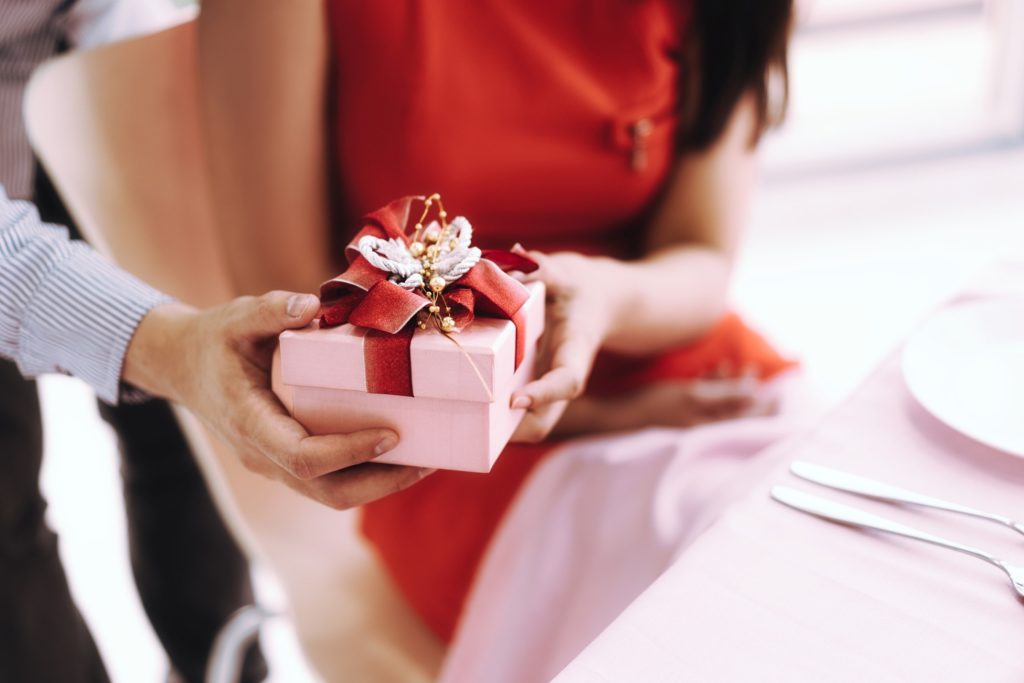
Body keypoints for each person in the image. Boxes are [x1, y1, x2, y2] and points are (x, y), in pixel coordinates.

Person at [197, 0, 795, 650]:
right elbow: (296, 315)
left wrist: (601, 296)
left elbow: (702, 257)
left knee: (823, 551)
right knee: (706, 616)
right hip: (438, 431)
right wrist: (582, 414)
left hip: (668, 355)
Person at [0, 4, 429, 682]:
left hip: (100, 36)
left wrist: (125, 92)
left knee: (185, 445)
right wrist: (165, 344)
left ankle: (221, 667)